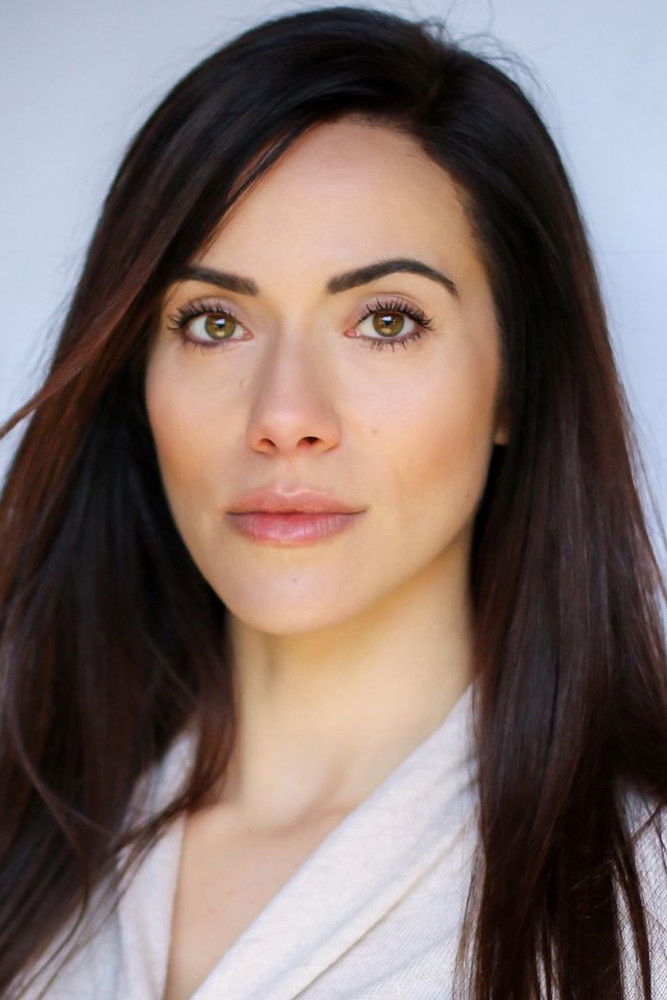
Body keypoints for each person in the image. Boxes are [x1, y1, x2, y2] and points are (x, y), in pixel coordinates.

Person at [1, 5, 666, 999]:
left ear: (516, 382)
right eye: (213, 322)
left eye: (386, 320)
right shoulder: (27, 831)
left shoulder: (645, 891)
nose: (284, 417)